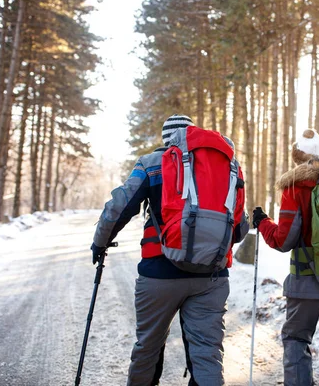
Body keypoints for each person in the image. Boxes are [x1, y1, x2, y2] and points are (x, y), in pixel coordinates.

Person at [91, 114, 248, 386]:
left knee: (148, 348)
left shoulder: (152, 163)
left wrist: (100, 242)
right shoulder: (225, 165)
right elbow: (238, 228)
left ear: (165, 139)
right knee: (207, 354)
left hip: (159, 274)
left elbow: (119, 207)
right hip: (211, 277)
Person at [252, 129, 319, 386]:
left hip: (307, 282)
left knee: (296, 339)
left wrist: (262, 222)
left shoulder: (296, 185)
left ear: (298, 156)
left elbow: (283, 240)